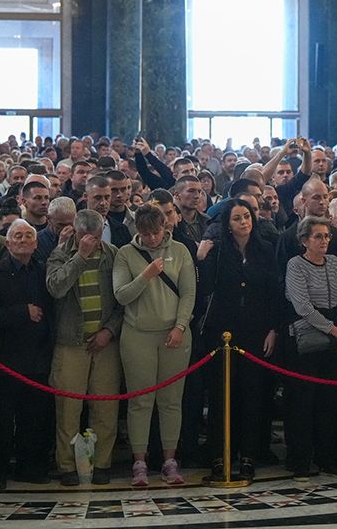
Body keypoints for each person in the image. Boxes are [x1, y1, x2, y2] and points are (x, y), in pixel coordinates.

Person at [113, 205, 196, 487]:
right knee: (140, 400)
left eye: (156, 232)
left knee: (171, 400)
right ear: (137, 230)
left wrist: (180, 326)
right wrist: (146, 275)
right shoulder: (125, 254)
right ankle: (139, 462)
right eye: (146, 234)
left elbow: (188, 293)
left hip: (174, 334)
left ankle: (170, 461)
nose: (151, 239)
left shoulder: (180, 251)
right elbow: (121, 295)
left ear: (165, 227)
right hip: (138, 335)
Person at [198, 199, 280, 477]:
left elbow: (273, 291)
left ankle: (248, 455)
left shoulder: (265, 249)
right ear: (228, 224)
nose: (244, 222)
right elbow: (206, 288)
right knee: (222, 394)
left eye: (247, 216)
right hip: (223, 331)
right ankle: (220, 454)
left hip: (256, 330)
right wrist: (201, 259)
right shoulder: (219, 250)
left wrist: (273, 328)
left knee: (252, 393)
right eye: (237, 218)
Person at [46, 209, 123, 486]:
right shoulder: (60, 254)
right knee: (69, 407)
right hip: (71, 341)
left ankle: (102, 462)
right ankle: (67, 465)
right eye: (87, 236)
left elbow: (122, 300)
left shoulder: (113, 254)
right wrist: (80, 257)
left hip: (105, 342)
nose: (93, 241)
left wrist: (109, 331)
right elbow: (55, 288)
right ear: (76, 233)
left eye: (97, 236)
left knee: (105, 406)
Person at [0, 220, 54, 488]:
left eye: (28, 235)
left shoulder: (43, 271)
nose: (23, 240)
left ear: (36, 243)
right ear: (7, 243)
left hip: (37, 357)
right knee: (0, 419)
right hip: (4, 359)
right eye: (17, 236)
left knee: (34, 417)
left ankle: (29, 467)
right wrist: (23, 312)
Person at [284, 216, 337, 480]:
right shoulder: (295, 265)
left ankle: (327, 456)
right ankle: (300, 459)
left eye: (327, 236)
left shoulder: (334, 262)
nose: (324, 241)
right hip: (307, 339)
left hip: (334, 339)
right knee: (303, 401)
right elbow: (302, 306)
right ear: (304, 240)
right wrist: (334, 330)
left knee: (329, 402)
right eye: (318, 236)